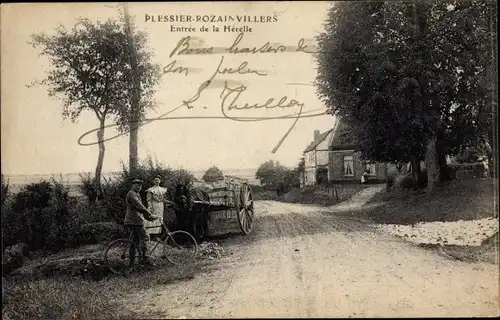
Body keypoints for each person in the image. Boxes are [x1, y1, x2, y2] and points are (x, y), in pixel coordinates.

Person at [124, 179, 158, 266]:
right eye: (137, 185)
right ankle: (145, 259)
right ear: (133, 185)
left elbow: (140, 209)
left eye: (141, 186)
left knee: (134, 241)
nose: (139, 187)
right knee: (145, 237)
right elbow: (139, 206)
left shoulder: (136, 194)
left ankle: (132, 263)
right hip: (134, 220)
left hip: (133, 220)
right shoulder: (131, 194)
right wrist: (150, 214)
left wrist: (149, 217)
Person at [145, 176, 169, 240]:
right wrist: (150, 207)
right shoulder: (151, 190)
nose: (157, 181)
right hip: (154, 205)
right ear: (153, 181)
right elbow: (149, 199)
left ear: (160, 181)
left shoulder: (162, 190)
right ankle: (152, 236)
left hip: (160, 206)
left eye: (158, 180)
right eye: (155, 180)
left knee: (160, 219)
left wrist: (170, 202)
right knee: (153, 219)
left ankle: (158, 235)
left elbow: (163, 199)